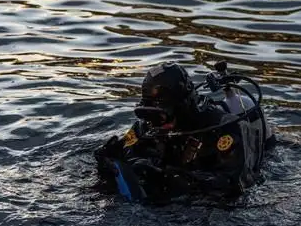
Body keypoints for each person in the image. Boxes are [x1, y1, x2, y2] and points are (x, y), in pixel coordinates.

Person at [94, 61, 274, 203]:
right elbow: (127, 153)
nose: (155, 124)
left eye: (161, 116)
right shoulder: (147, 127)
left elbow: (233, 184)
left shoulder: (223, 129)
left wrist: (168, 177)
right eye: (149, 115)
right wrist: (109, 161)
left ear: (181, 108)